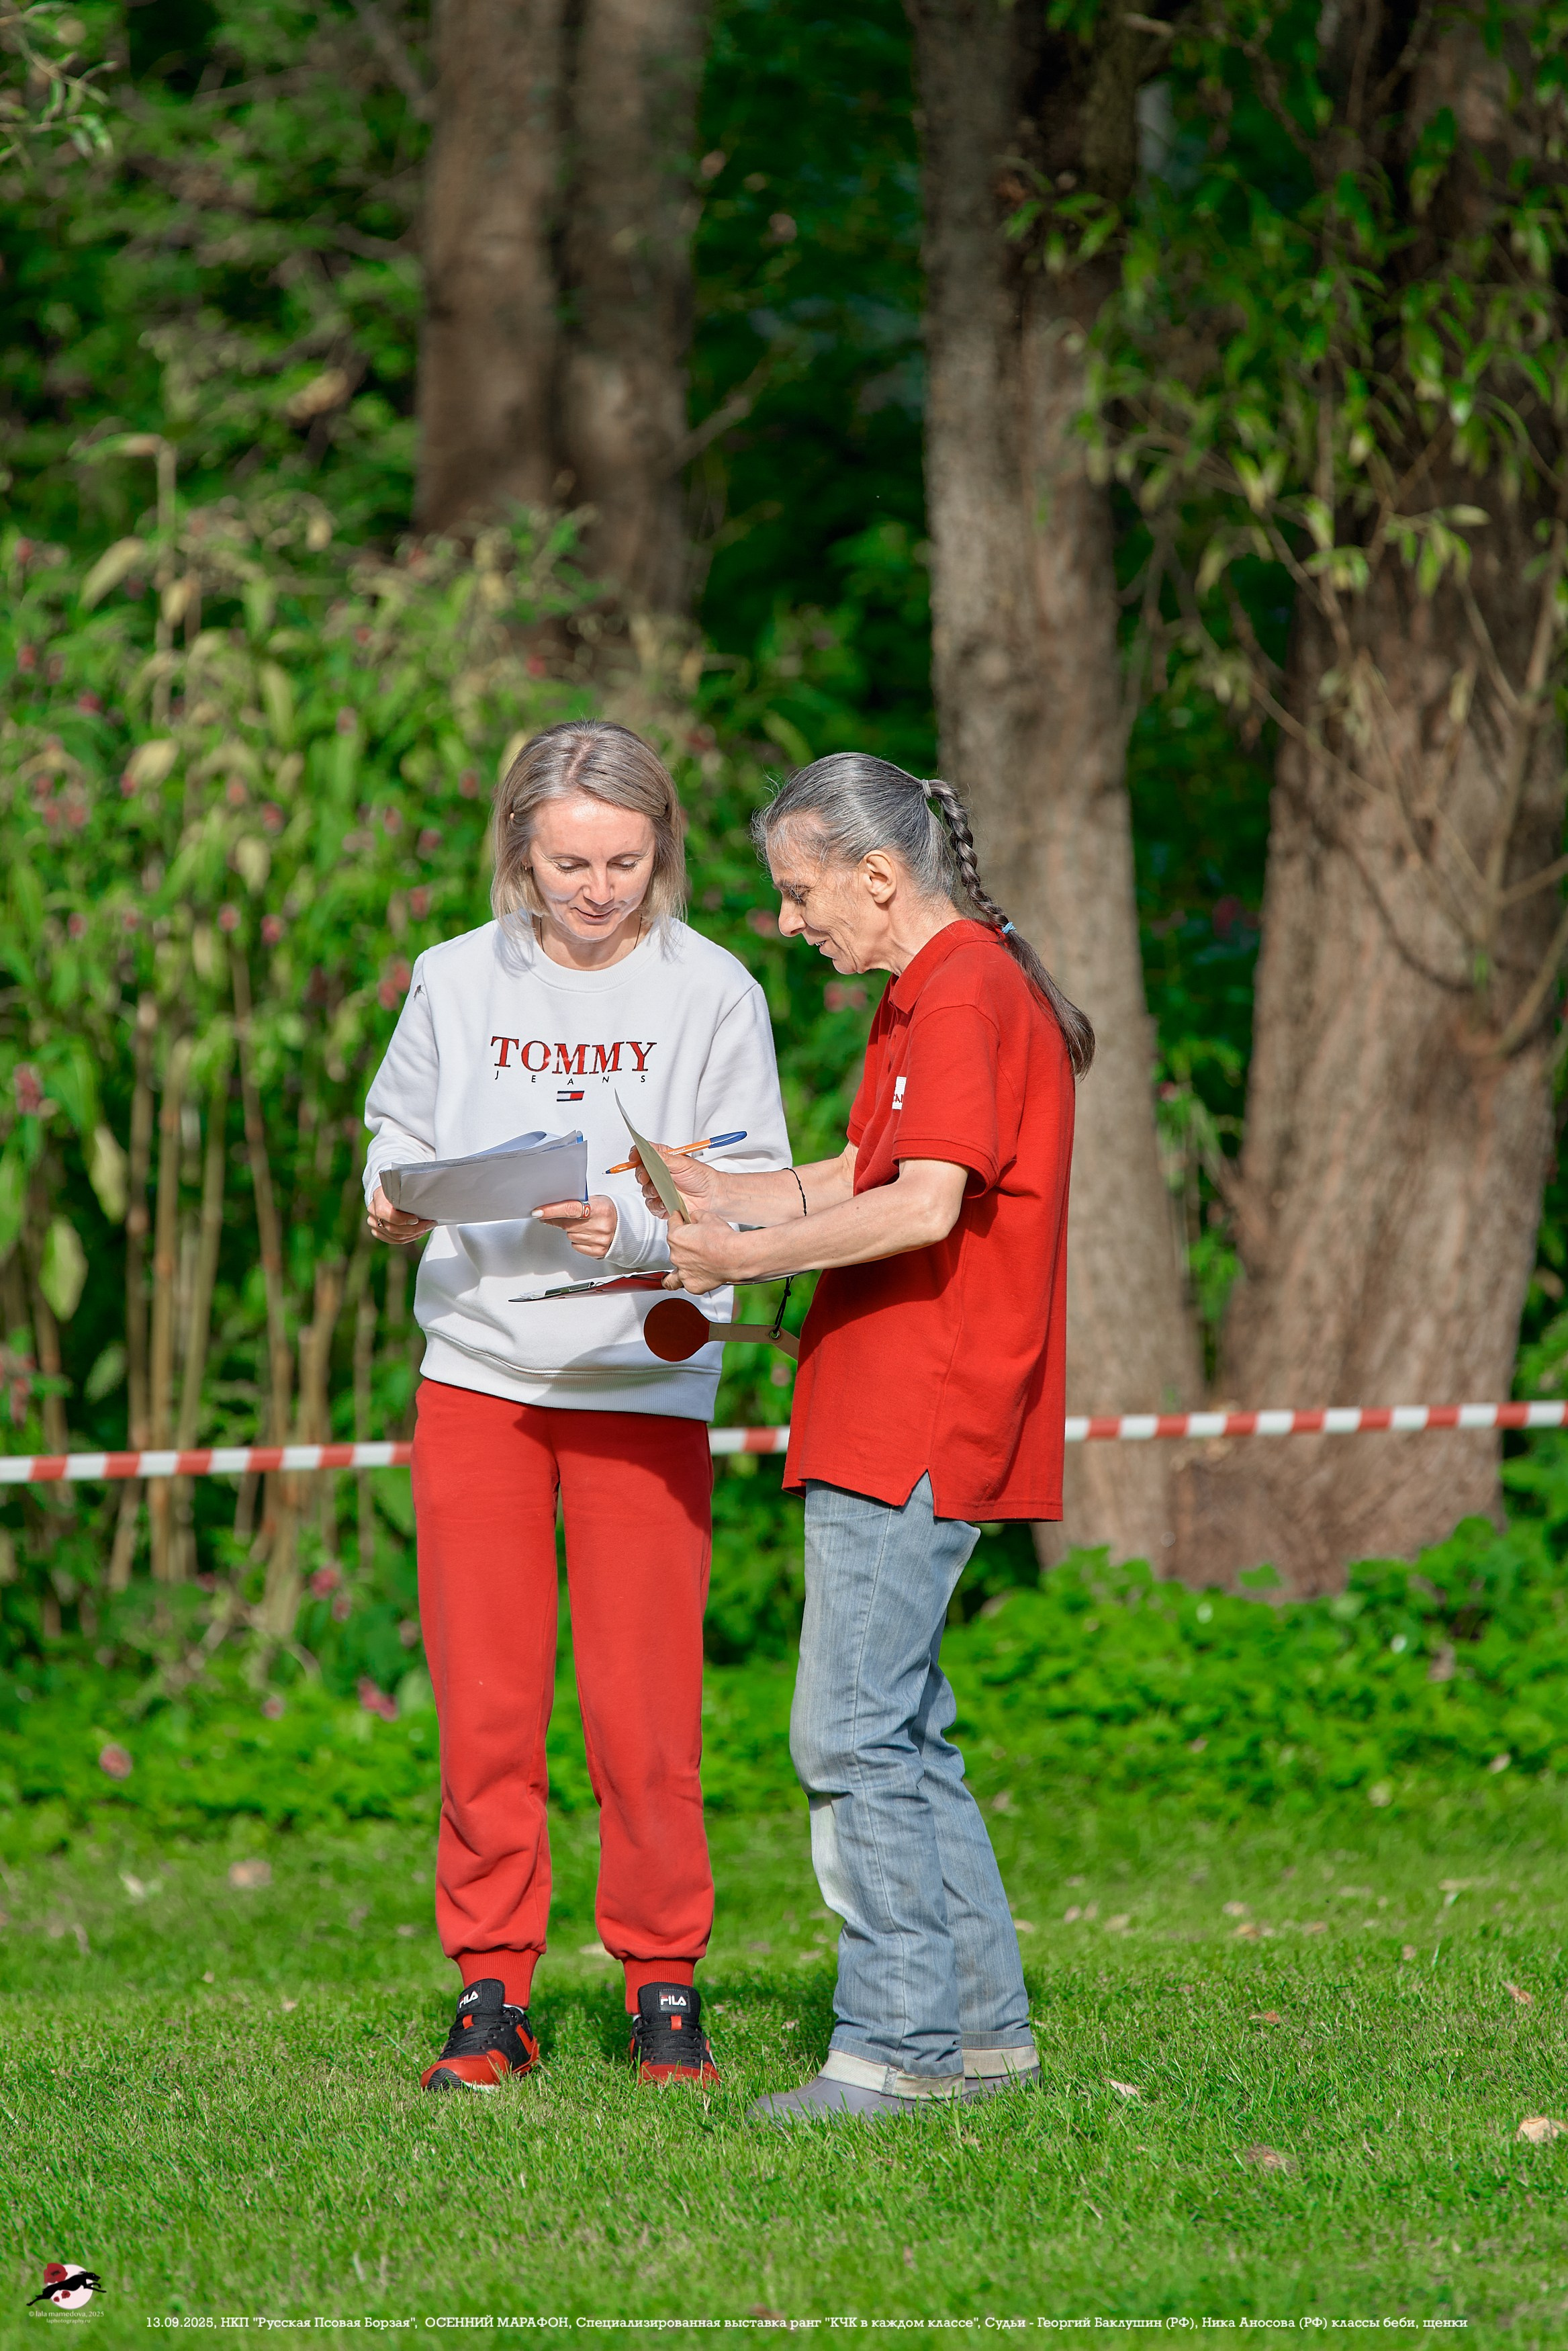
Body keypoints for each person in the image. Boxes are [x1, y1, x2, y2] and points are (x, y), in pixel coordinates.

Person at [635, 751, 1091, 2121]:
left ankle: (895, 2049)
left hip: (914, 1407)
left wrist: (733, 1253)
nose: (786, 922)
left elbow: (922, 1209)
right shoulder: (929, 993)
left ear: (877, 875)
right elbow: (861, 1174)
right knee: (905, 1728)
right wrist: (729, 1194)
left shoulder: (957, 994)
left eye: (796, 891)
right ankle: (981, 2032)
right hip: (892, 1400)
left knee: (847, 1737)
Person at [363, 718, 790, 2092]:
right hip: (480, 1377)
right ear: (519, 852)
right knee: (488, 1701)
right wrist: (389, 1186)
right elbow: (400, 1130)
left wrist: (622, 1224)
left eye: (624, 859)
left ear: (662, 848)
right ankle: (493, 1988)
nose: (597, 887)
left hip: (642, 1376)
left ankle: (664, 1984)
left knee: (642, 1707)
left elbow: (752, 1185)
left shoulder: (714, 990)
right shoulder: (451, 974)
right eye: (567, 862)